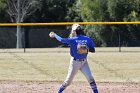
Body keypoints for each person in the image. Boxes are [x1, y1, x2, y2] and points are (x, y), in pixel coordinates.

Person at [49, 24, 98, 93]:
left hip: (84, 63)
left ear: (74, 31)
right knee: (68, 81)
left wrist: (55, 35)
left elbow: (61, 39)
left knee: (90, 78)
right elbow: (93, 50)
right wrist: (87, 49)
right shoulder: (75, 39)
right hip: (75, 63)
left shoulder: (83, 39)